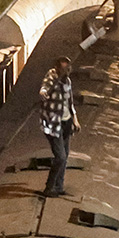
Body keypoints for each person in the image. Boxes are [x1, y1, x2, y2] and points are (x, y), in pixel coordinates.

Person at [39, 56, 80, 197]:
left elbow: (70, 102)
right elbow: (44, 88)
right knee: (61, 157)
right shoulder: (51, 78)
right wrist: (43, 93)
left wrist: (75, 119)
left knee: (65, 155)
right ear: (57, 68)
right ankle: (49, 187)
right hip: (53, 125)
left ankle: (59, 186)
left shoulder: (67, 81)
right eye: (64, 69)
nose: (66, 71)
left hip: (66, 123)